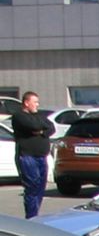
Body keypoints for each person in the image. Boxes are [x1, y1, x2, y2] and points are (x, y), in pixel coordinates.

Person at [11, 91, 55, 219]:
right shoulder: (19, 116)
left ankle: (36, 215)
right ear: (26, 102)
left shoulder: (38, 115)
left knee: (41, 187)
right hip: (27, 157)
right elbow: (33, 125)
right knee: (32, 187)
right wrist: (41, 128)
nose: (37, 104)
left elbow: (51, 127)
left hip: (41, 157)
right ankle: (31, 217)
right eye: (34, 102)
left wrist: (40, 131)